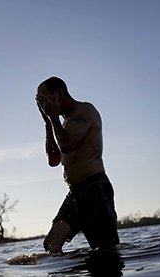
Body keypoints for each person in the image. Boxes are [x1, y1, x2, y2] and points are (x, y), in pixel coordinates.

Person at [36, 76, 119, 253]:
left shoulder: (85, 111)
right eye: (39, 102)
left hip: (95, 188)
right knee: (51, 244)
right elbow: (54, 160)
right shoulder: (63, 123)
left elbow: (66, 144)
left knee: (106, 250)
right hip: (75, 193)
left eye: (43, 99)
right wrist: (48, 123)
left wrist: (52, 117)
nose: (42, 105)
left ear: (57, 94)